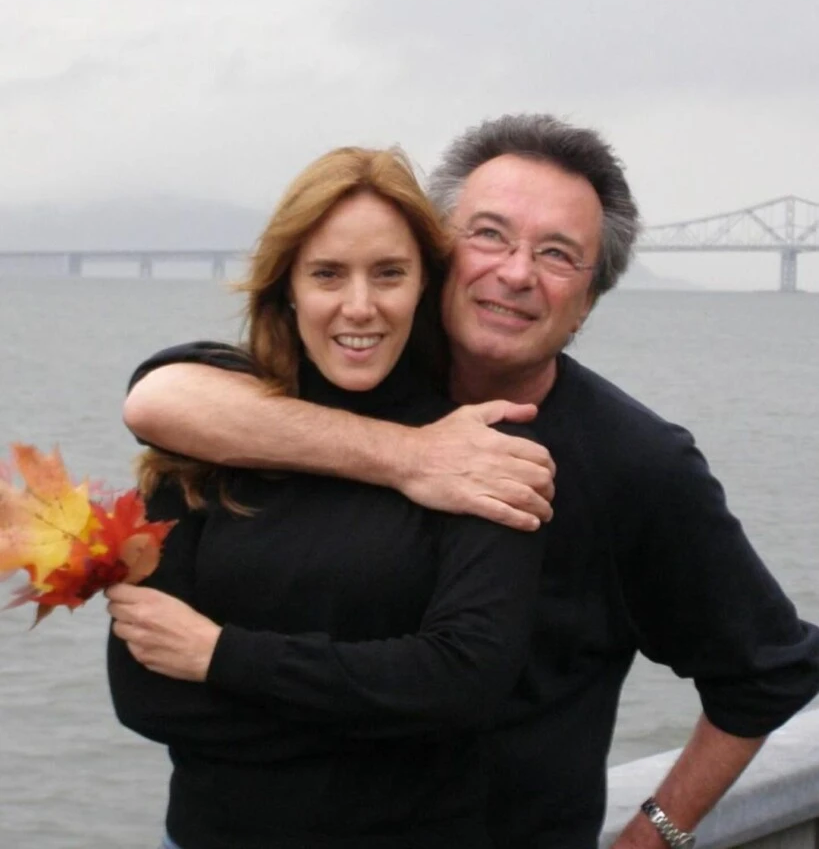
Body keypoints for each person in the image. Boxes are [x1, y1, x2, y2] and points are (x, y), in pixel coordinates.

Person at [123, 114, 819, 849]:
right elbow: (159, 400)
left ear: (588, 302)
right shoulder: (327, 382)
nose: (516, 273)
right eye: (489, 235)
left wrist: (656, 834)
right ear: (438, 254)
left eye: (557, 255)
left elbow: (767, 672)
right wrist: (409, 457)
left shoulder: (635, 463)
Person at [106, 145, 550, 849]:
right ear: (287, 286)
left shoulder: (477, 452)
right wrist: (380, 723)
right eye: (327, 274)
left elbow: (462, 685)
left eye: (389, 273)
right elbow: (145, 694)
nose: (359, 306)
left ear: (425, 285)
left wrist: (219, 655)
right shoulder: (209, 438)